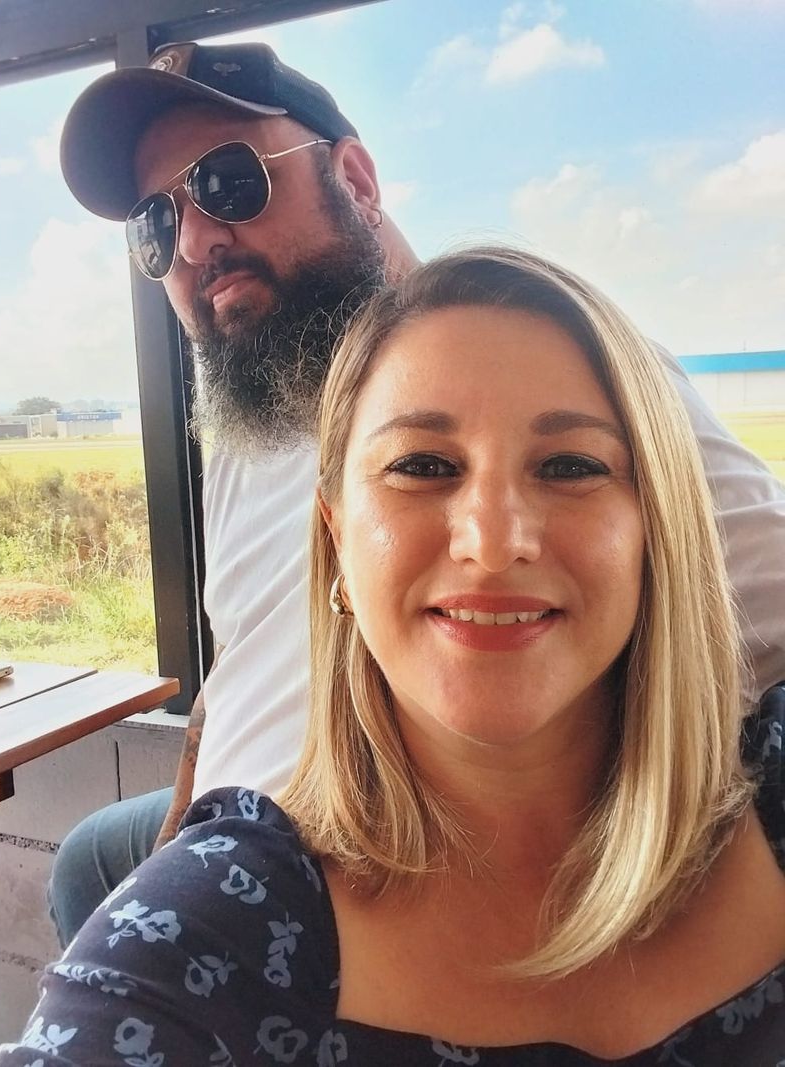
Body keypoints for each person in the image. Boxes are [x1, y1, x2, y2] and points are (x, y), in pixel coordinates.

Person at [48, 38, 785, 948]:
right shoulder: (250, 428)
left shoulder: (557, 378)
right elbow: (232, 666)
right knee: (90, 860)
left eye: (228, 183)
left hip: (368, 893)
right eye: (156, 225)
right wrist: (176, 853)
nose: (195, 241)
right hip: (230, 834)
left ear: (356, 180)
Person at [0, 247, 785, 1065]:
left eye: (569, 466)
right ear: (336, 537)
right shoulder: (200, 943)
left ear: (659, 526)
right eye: (422, 466)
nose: (491, 542)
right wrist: (181, 854)